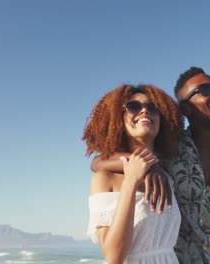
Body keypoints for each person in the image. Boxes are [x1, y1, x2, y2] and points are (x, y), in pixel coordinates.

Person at [93, 67, 210, 264]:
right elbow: (99, 162)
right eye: (204, 89)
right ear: (186, 109)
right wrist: (150, 167)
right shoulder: (168, 154)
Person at [82, 84, 183, 263]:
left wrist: (151, 166)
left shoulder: (165, 177)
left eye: (153, 108)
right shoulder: (105, 178)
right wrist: (130, 181)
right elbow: (114, 257)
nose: (144, 110)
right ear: (118, 119)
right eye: (134, 106)